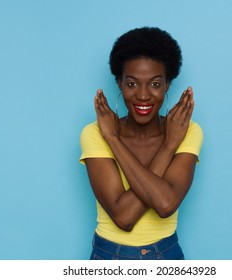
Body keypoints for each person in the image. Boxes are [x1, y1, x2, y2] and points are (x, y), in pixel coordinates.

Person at [80, 27, 203, 260]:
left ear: (168, 84)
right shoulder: (95, 133)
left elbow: (165, 205)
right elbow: (124, 217)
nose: (144, 96)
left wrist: (168, 144)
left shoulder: (188, 131)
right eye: (132, 84)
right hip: (109, 257)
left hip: (165, 255)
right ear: (119, 83)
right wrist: (112, 138)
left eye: (155, 84)